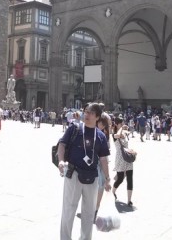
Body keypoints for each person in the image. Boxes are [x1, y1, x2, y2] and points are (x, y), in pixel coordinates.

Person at [57, 103, 111, 240]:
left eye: (91, 113)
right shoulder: (74, 128)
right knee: (69, 210)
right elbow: (62, 144)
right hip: (73, 174)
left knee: (88, 214)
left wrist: (107, 179)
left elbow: (104, 159)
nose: (87, 115)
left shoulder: (100, 136)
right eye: (86, 112)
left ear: (97, 117)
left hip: (91, 178)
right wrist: (61, 161)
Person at [111, 117, 135, 206]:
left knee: (130, 179)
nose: (123, 125)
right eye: (121, 124)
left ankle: (129, 200)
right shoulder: (114, 134)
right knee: (120, 178)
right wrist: (121, 128)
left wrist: (132, 151)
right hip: (120, 158)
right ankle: (113, 191)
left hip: (127, 158)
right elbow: (117, 135)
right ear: (117, 124)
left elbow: (127, 143)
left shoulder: (125, 133)